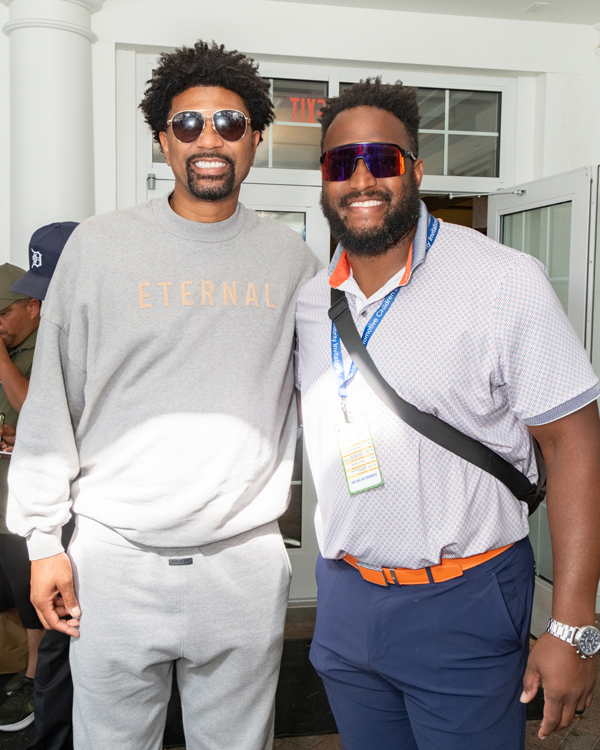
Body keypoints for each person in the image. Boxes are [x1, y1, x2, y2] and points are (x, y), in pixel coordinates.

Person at [7, 40, 321, 750]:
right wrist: (42, 540)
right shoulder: (98, 247)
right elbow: (54, 397)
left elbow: (326, 396)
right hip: (114, 562)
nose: (209, 139)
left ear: (256, 140)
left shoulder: (292, 261)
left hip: (242, 561)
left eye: (230, 124)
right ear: (162, 138)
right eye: (188, 124)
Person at [294, 78, 600, 750]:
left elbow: (574, 442)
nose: (364, 178)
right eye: (344, 163)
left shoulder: (501, 280)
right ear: (324, 178)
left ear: (417, 171)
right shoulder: (310, 304)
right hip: (344, 597)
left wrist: (574, 626)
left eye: (384, 159)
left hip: (463, 597)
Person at [4, 222, 78, 749]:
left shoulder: (84, 334)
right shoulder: (60, 334)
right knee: (58, 646)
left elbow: (43, 414)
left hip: (90, 521)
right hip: (49, 519)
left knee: (63, 643)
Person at [0, 262, 43, 731]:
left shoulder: (47, 346)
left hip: (29, 504)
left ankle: (36, 682)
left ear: (32, 307)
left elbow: (31, 406)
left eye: (0, 316)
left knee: (32, 597)